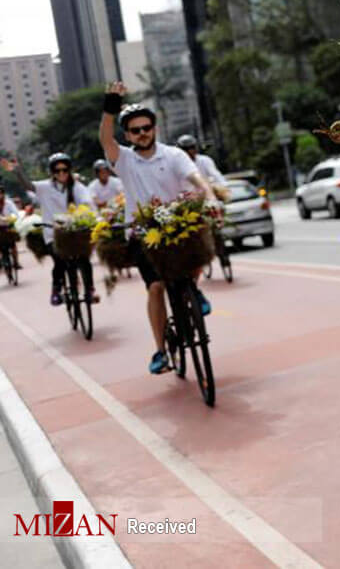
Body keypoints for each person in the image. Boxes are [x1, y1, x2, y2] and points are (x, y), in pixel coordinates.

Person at [99, 83, 217, 375]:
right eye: (135, 130)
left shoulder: (174, 155)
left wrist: (210, 195)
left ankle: (194, 290)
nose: (142, 133)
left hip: (178, 223)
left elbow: (195, 178)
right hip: (143, 232)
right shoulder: (124, 159)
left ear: (154, 128)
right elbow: (105, 138)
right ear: (128, 135)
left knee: (199, 249)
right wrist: (110, 107)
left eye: (147, 127)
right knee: (156, 287)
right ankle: (161, 351)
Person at [0, 153, 98, 305]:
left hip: (75, 232)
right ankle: (56, 290)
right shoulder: (45, 187)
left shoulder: (77, 187)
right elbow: (28, 186)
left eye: (65, 170)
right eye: (57, 171)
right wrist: (17, 171)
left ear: (69, 170)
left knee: (84, 259)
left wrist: (86, 216)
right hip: (53, 234)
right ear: (52, 172)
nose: (61, 174)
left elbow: (87, 203)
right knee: (59, 261)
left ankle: (90, 290)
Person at [0, 185, 21, 270]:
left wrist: (11, 218)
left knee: (13, 245)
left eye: (0, 193)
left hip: (9, 225)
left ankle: (16, 262)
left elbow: (16, 213)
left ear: (3, 194)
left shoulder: (9, 203)